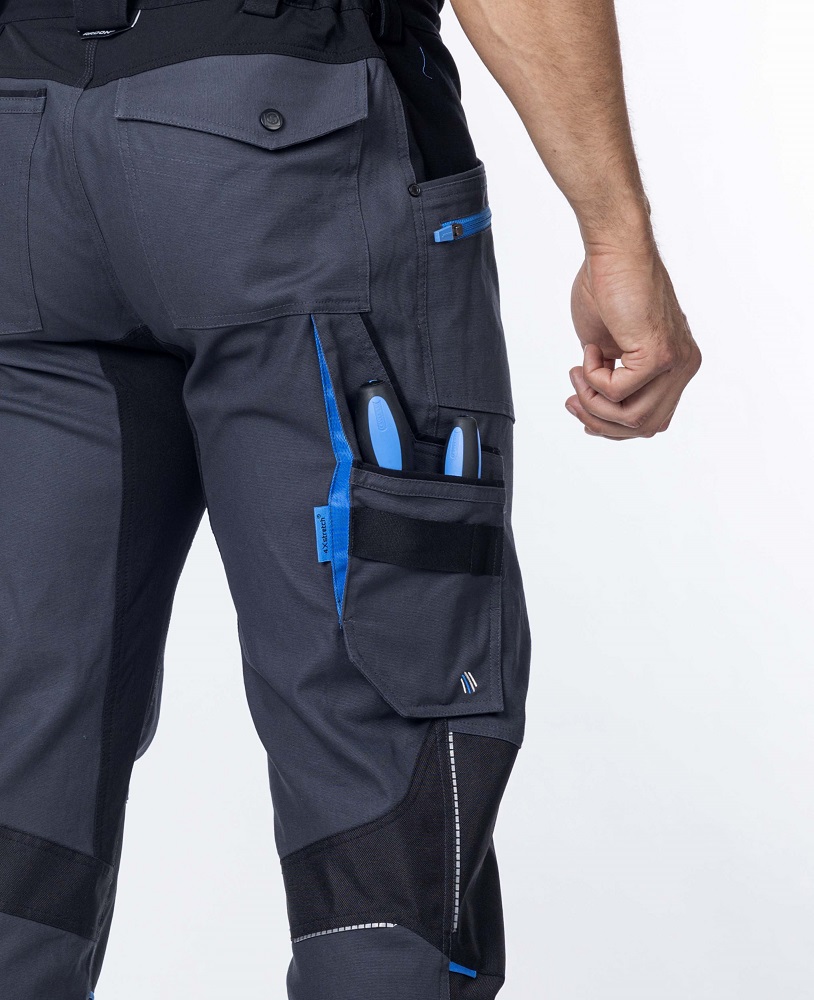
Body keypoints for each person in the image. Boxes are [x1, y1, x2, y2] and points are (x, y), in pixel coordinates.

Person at [0, 0, 700, 997]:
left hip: (19, 148)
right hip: (291, 140)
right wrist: (617, 234)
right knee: (377, 786)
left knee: (19, 763)